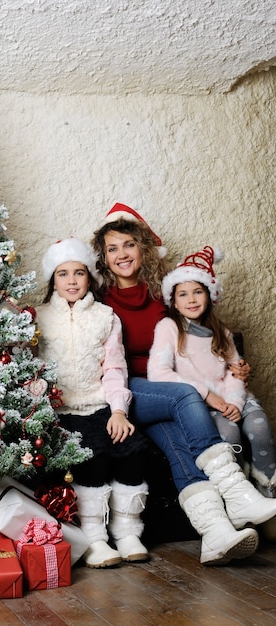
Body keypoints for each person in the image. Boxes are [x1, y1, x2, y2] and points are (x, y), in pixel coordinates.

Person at [92, 203, 276, 565]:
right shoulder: (100, 302)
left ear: (143, 249)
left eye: (128, 244)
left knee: (178, 444)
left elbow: (200, 343)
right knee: (185, 395)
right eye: (112, 248)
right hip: (129, 389)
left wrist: (234, 367)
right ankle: (236, 491)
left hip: (165, 394)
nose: (122, 254)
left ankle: (215, 533)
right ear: (104, 258)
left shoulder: (163, 300)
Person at [36, 237, 151, 568]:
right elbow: (30, 368)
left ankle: (127, 530)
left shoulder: (105, 317)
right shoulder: (39, 318)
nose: (72, 281)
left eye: (79, 273)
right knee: (92, 455)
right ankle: (95, 537)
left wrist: (118, 411)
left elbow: (115, 368)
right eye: (63, 274)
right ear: (52, 280)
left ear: (90, 278)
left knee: (132, 447)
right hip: (59, 411)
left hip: (98, 404)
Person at [148, 244, 276, 498]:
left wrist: (235, 403)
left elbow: (234, 372)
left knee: (260, 428)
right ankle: (240, 496)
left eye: (198, 292)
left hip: (233, 398)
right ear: (173, 301)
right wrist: (207, 395)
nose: (192, 299)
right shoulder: (168, 328)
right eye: (183, 294)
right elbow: (158, 373)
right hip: (200, 403)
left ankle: (269, 490)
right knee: (228, 434)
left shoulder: (222, 332)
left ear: (209, 295)